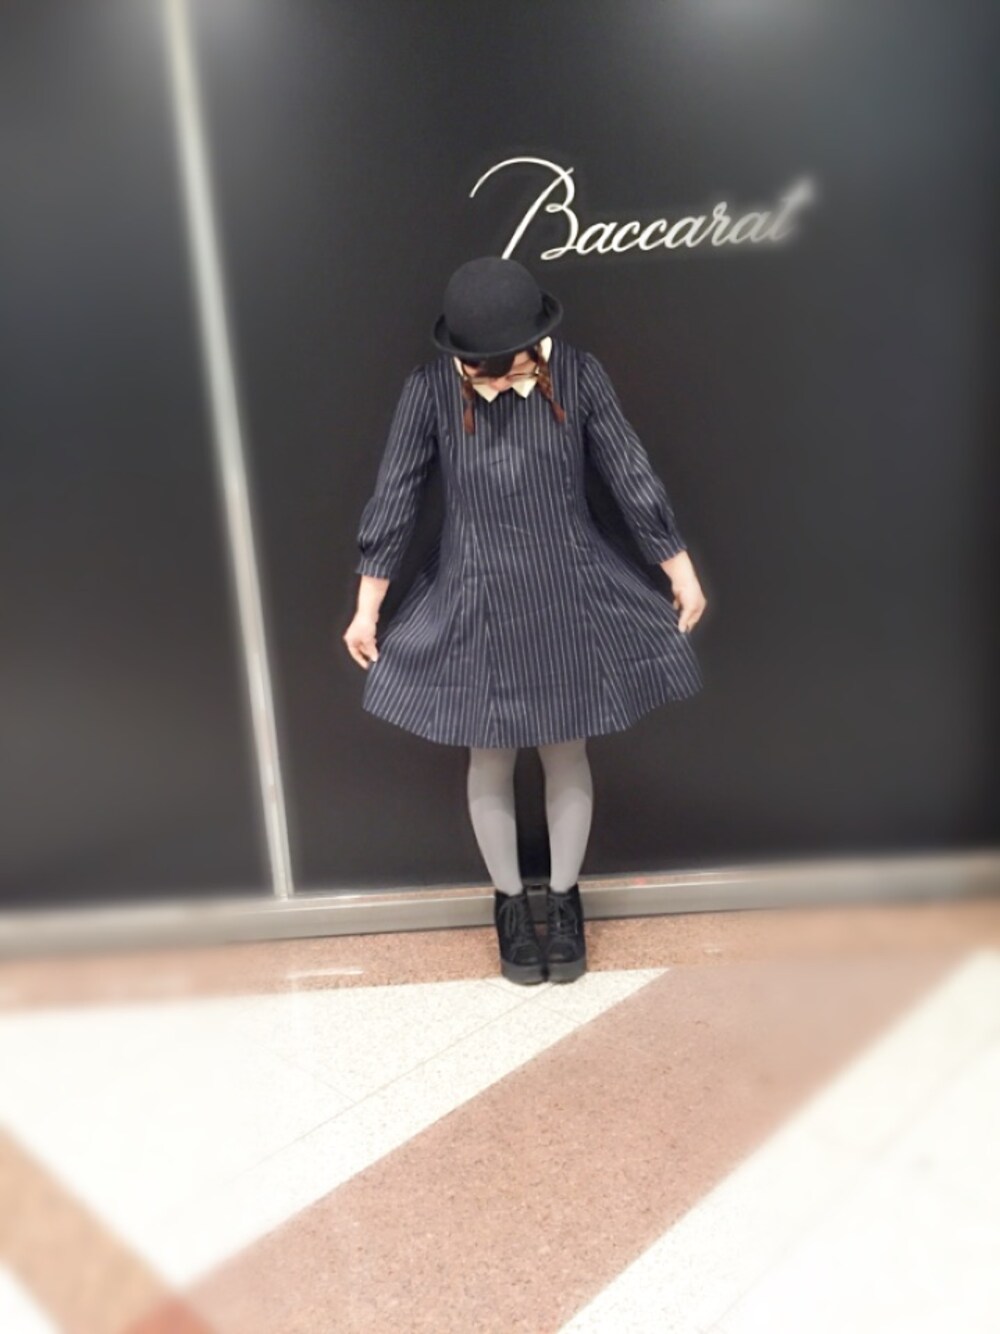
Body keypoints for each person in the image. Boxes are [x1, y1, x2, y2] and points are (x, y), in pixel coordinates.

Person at [343, 257, 707, 986]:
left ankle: (565, 902)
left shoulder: (579, 374)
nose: (489, 366)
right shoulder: (429, 389)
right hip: (472, 594)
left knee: (567, 747)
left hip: (568, 587)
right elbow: (396, 494)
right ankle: (510, 904)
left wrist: (677, 564)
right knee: (490, 756)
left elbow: (629, 471)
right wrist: (368, 603)